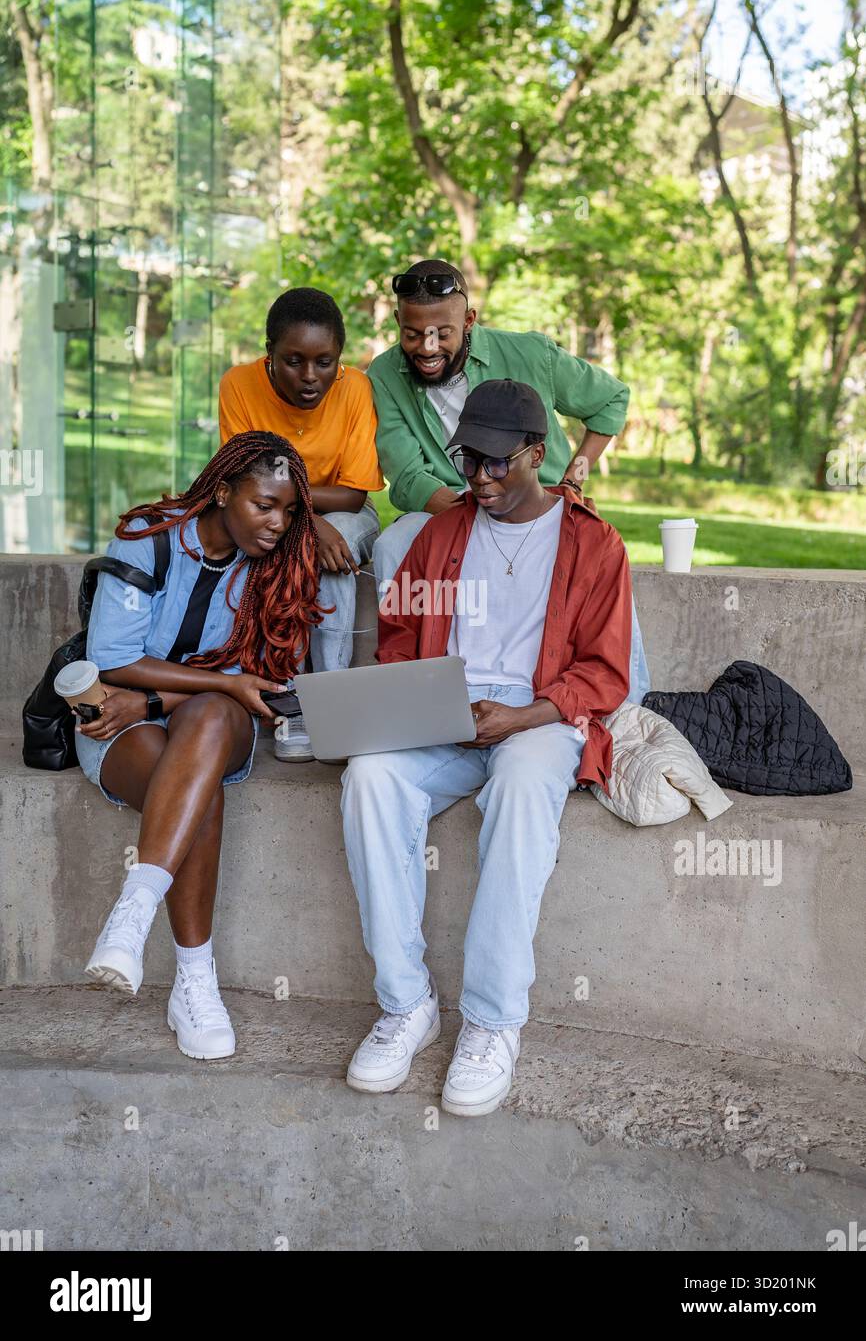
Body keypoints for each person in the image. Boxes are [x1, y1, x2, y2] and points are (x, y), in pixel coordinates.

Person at [341, 380, 631, 1116]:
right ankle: (407, 1004)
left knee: (525, 786)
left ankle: (493, 1021)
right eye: (470, 460)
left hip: (537, 719)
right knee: (370, 776)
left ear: (538, 455)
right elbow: (401, 644)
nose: (479, 477)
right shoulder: (443, 537)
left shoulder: (591, 544)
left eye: (499, 463)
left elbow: (604, 674)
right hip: (449, 720)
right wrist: (416, 701)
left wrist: (523, 715)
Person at [79, 432, 321, 1060]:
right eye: (264, 505)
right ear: (222, 491)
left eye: (290, 510)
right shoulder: (149, 539)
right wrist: (206, 688)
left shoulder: (277, 564)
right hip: (118, 724)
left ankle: (134, 909)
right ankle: (194, 979)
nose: (277, 523)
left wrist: (165, 697)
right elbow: (111, 658)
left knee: (212, 720)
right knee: (196, 784)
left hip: (214, 723)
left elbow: (254, 690)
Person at [367, 258, 650, 703]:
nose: (426, 347)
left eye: (443, 333)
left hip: (536, 500)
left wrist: (576, 472)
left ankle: (629, 709)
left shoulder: (529, 354)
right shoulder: (384, 375)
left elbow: (611, 399)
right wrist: (472, 505)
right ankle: (411, 693)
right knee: (391, 545)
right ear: (399, 323)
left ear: (469, 320)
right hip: (448, 505)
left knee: (596, 553)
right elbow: (406, 477)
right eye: (412, 333)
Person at [219, 287, 384, 760]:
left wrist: (305, 517)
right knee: (288, 547)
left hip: (348, 516)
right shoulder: (238, 386)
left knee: (325, 557)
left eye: (324, 362)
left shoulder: (355, 388)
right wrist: (306, 523)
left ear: (340, 360)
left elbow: (354, 493)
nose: (310, 377)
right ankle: (286, 698)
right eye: (293, 361)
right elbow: (248, 482)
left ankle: (326, 704)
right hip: (277, 514)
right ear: (269, 355)